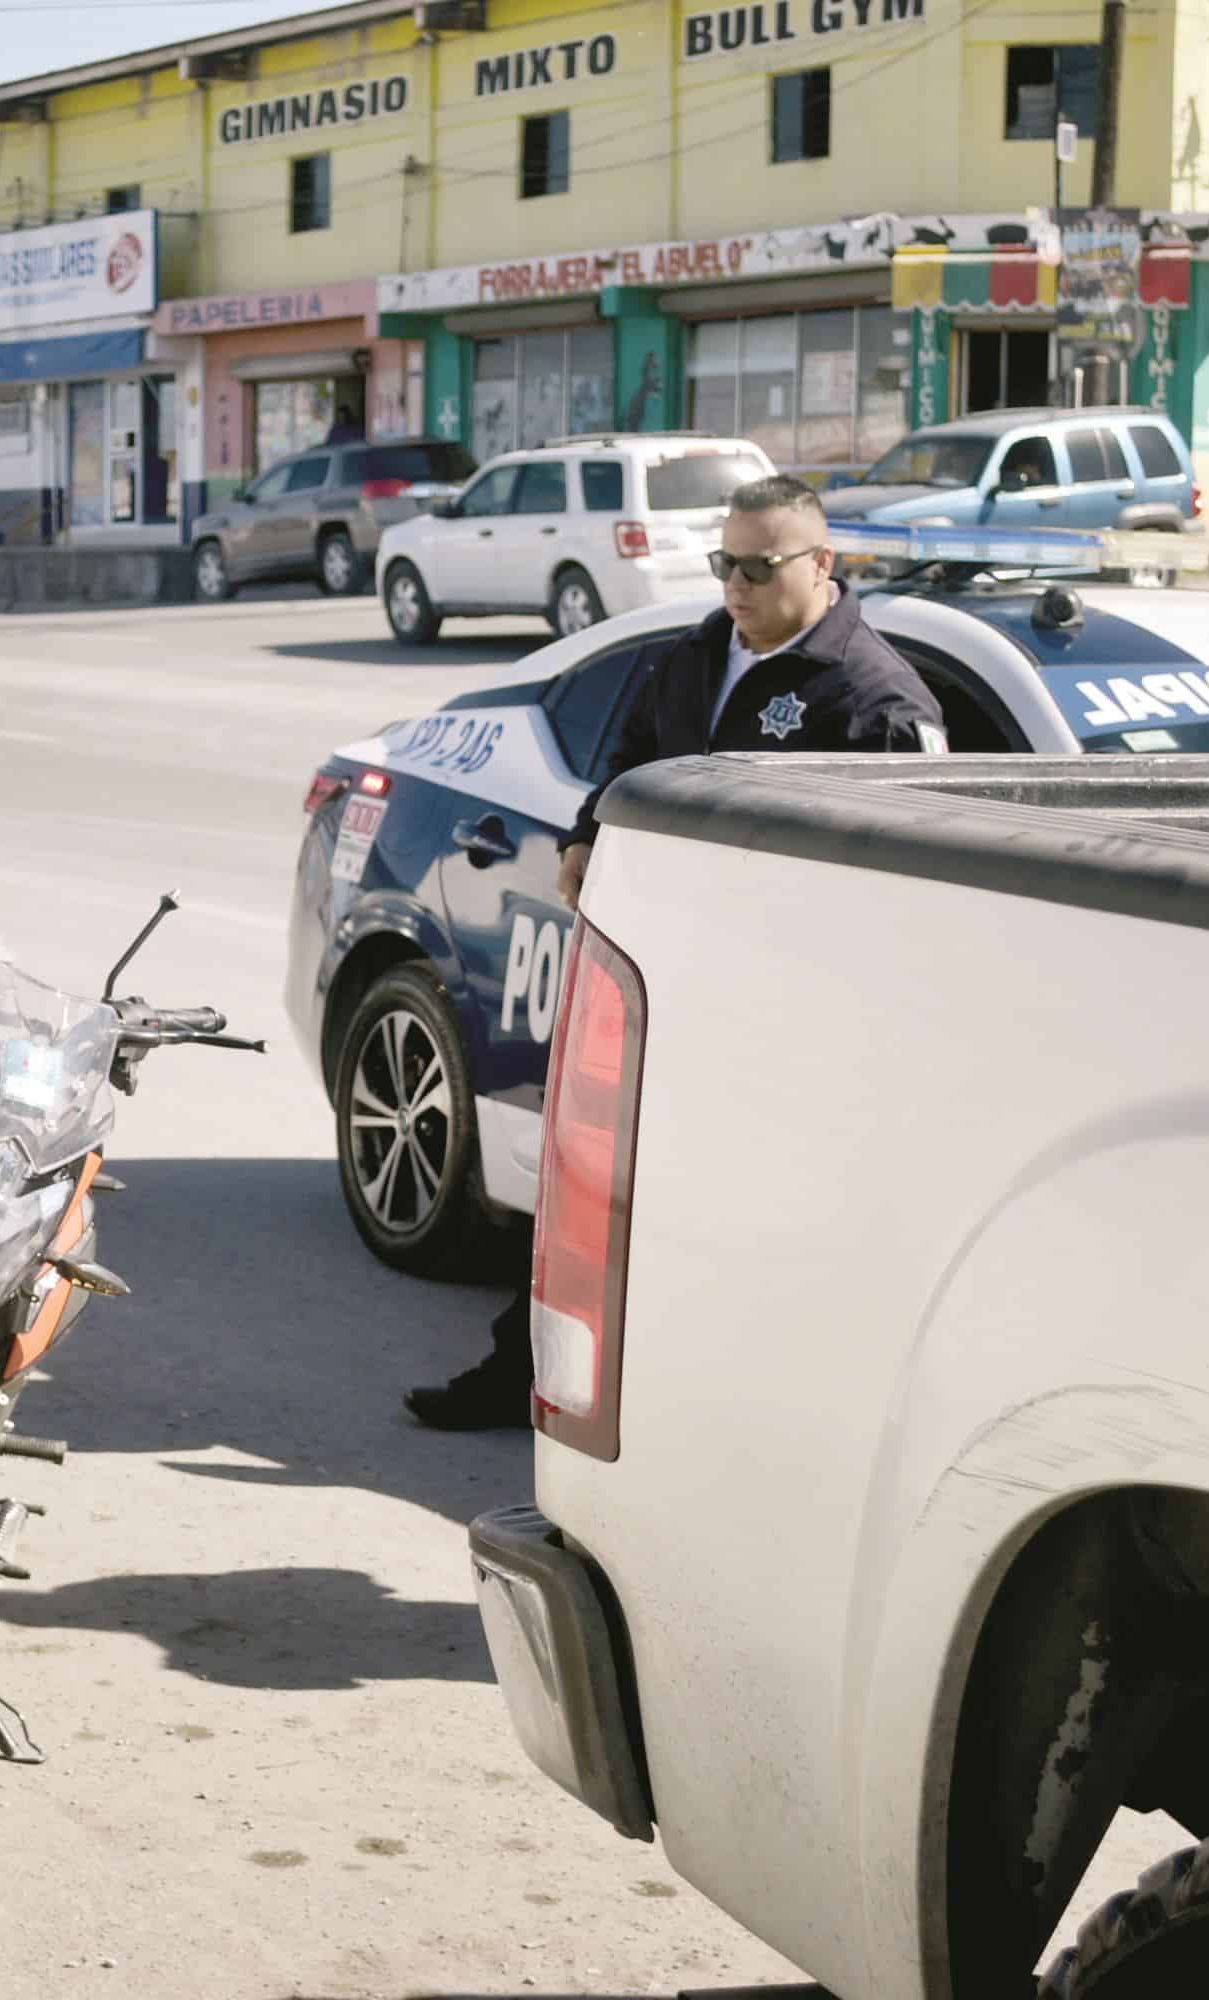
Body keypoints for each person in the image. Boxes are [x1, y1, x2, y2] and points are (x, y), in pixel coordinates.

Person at [404, 475, 948, 1431]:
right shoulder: (700, 655)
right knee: (598, 1200)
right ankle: (524, 1376)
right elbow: (631, 759)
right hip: (664, 991)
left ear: (824, 565)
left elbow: (908, 888)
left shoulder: (877, 701)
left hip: (782, 1025)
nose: (735, 585)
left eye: (758, 566)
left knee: (730, 1236)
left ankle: (704, 1423)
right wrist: (584, 833)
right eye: (723, 564)